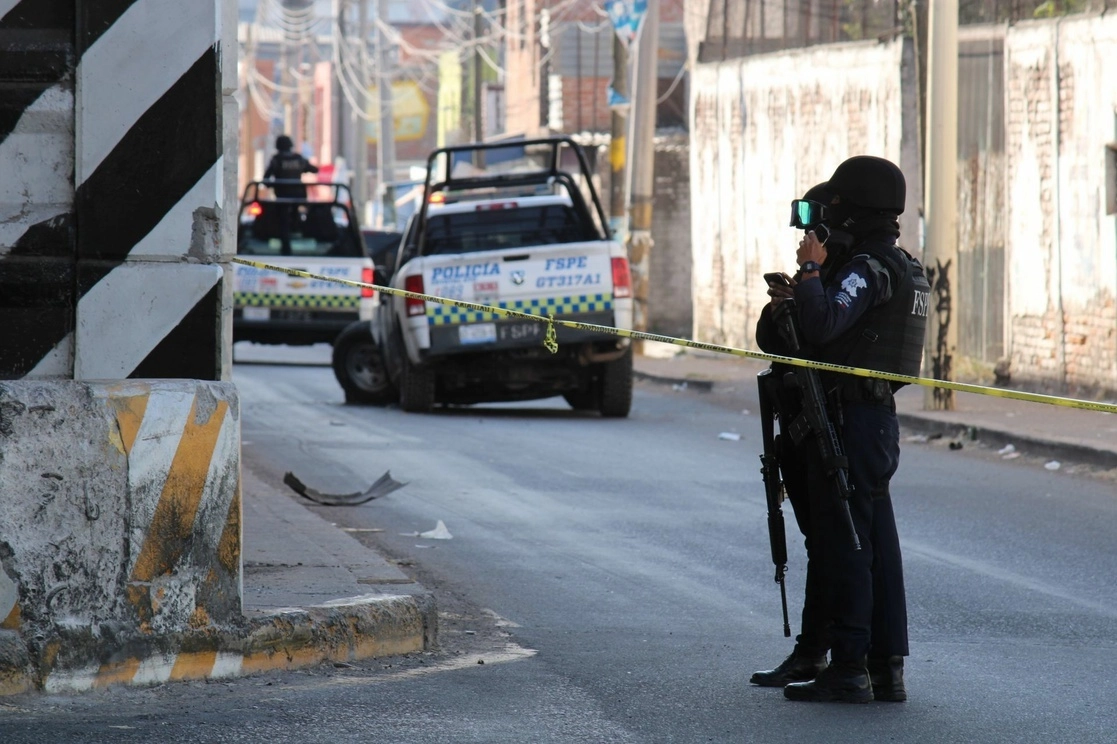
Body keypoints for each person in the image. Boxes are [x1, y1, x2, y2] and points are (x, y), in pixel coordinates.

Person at [759, 156, 929, 703]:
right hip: (855, 419)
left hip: (854, 420)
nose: (818, 226)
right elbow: (788, 338)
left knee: (850, 544)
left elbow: (823, 325)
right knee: (853, 542)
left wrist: (811, 275)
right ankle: (865, 662)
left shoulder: (870, 267)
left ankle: (851, 665)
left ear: (853, 208)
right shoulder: (878, 264)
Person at [749, 183, 836, 691]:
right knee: (818, 542)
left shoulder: (845, 275)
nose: (805, 241)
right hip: (798, 431)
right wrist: (787, 300)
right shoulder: (817, 280)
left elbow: (823, 332)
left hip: (831, 433)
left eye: (813, 233)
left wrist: (811, 276)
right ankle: (814, 651)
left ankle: (820, 653)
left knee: (832, 545)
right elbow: (770, 339)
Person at [263, 134, 318, 199]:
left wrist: (274, 185)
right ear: (290, 145)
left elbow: (266, 179)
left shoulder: (276, 160)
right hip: (298, 196)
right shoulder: (298, 159)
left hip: (281, 196)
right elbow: (314, 170)